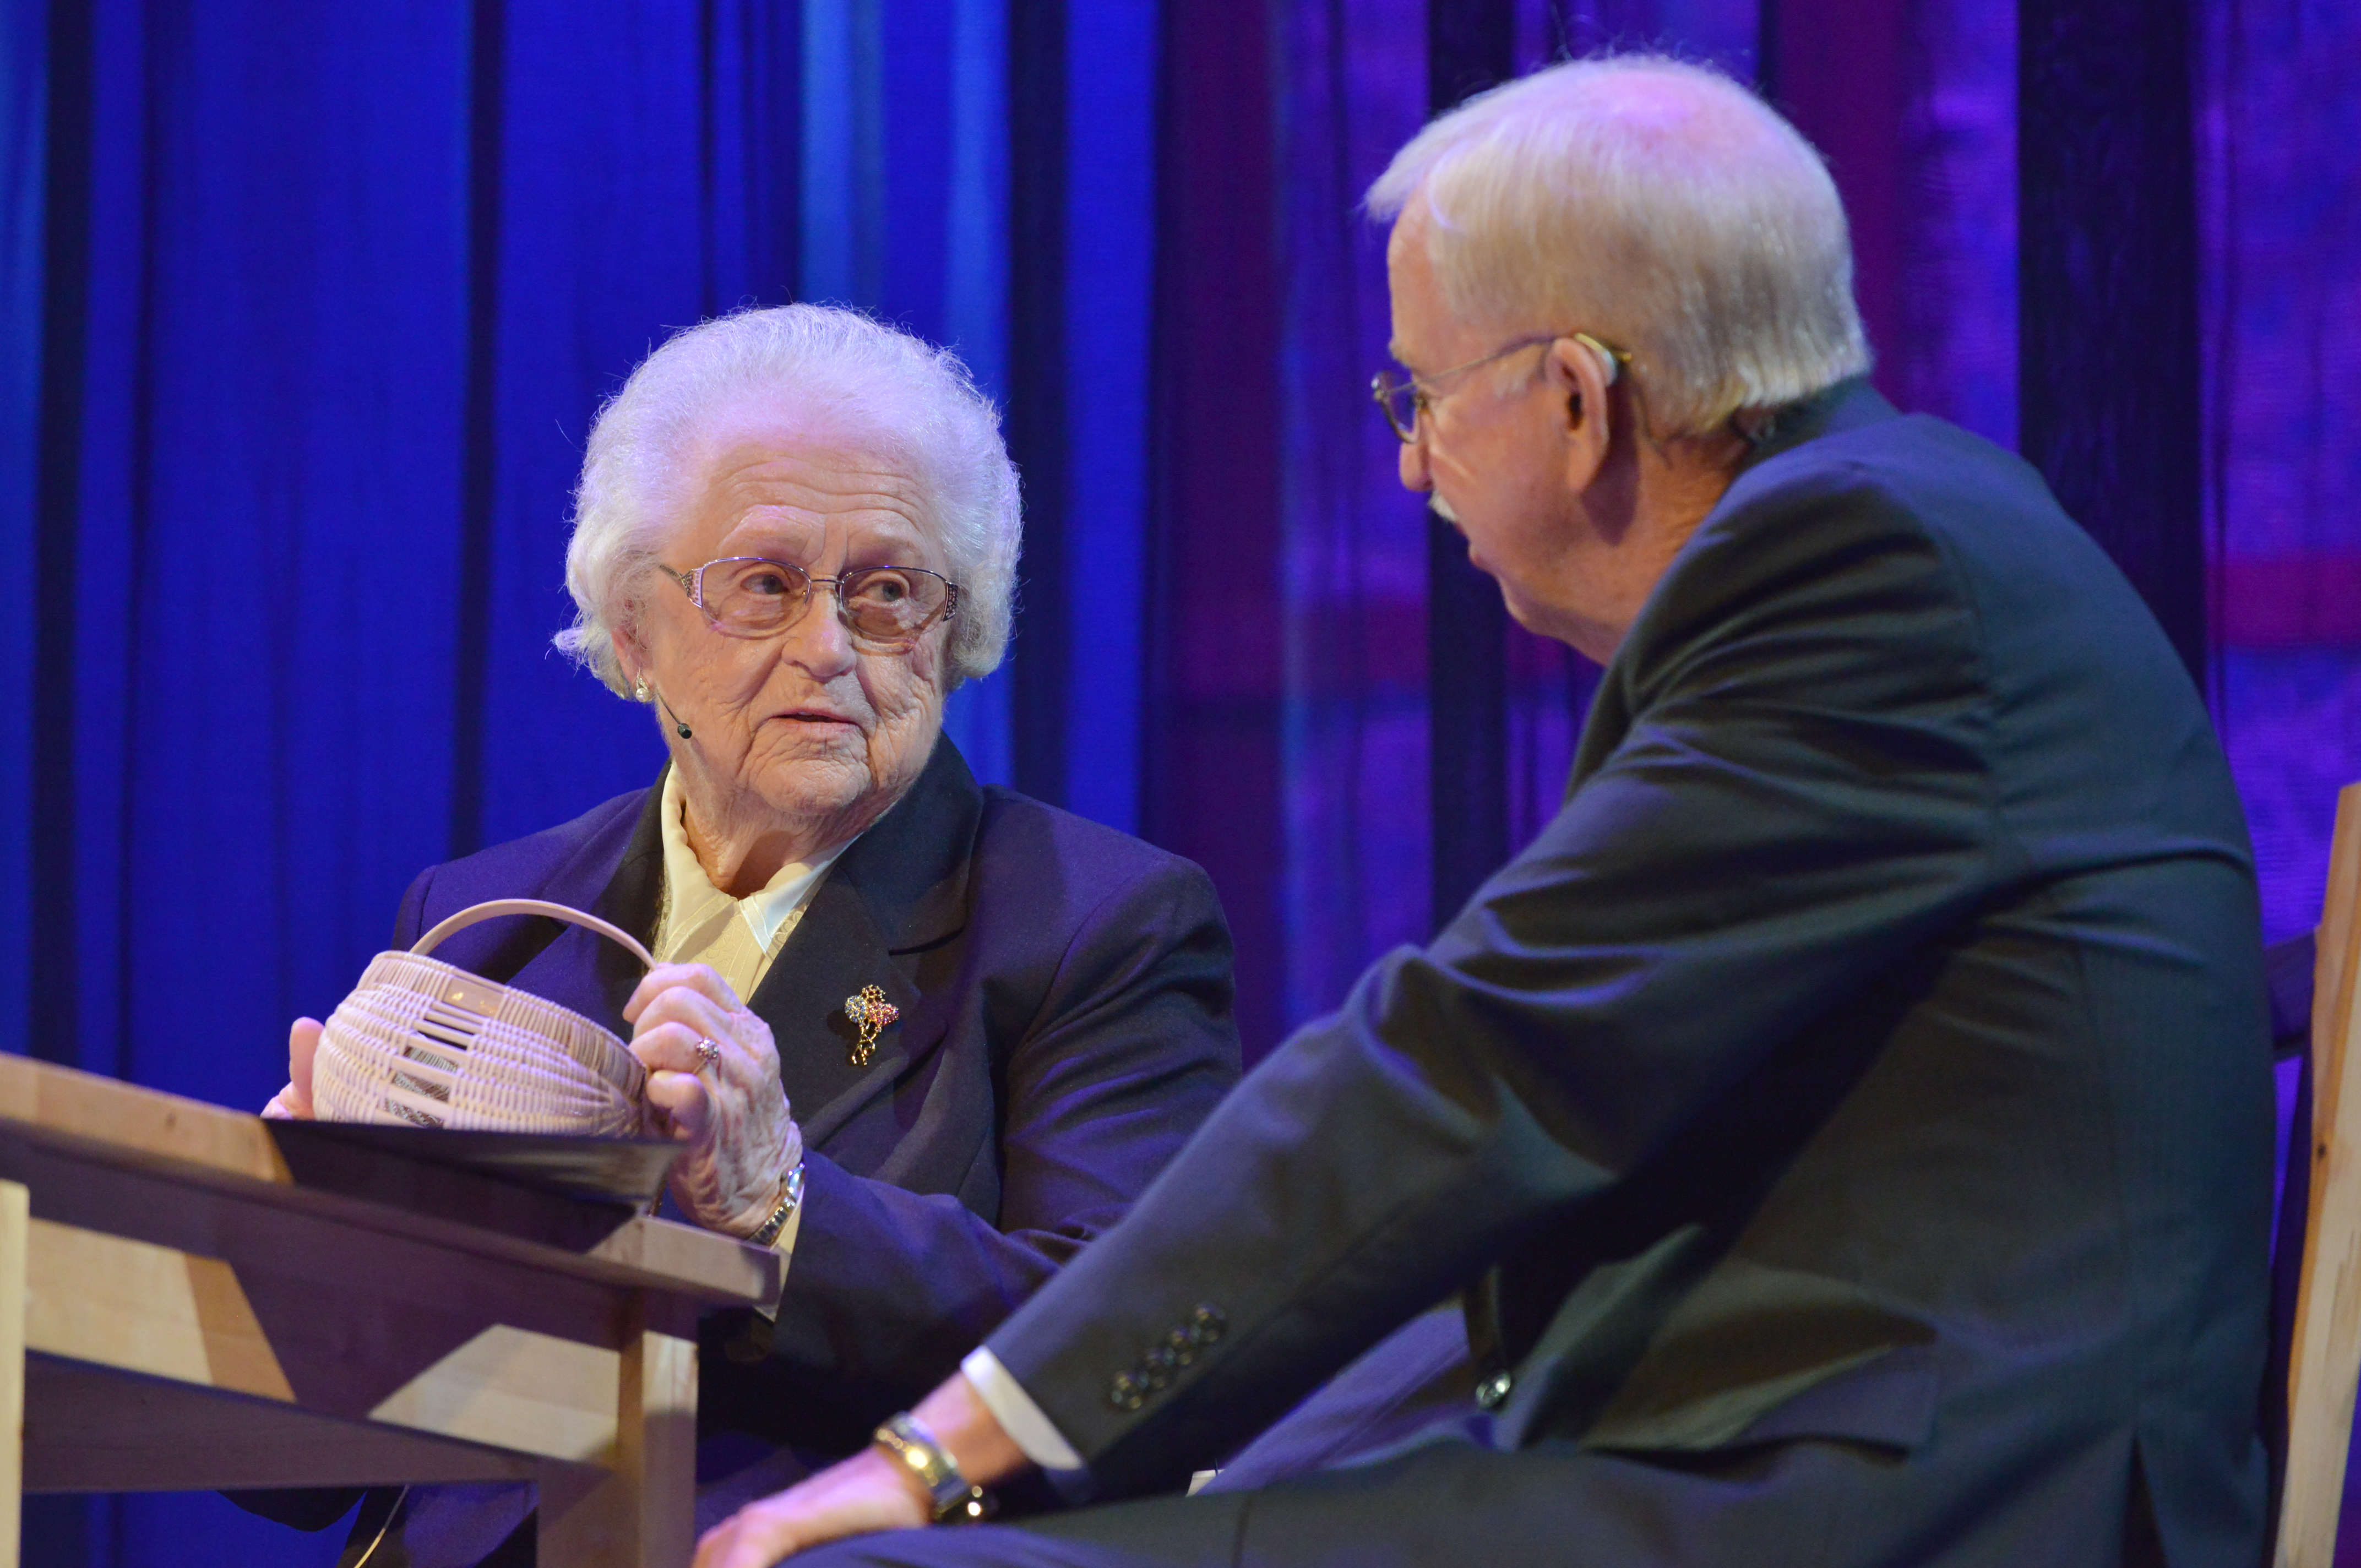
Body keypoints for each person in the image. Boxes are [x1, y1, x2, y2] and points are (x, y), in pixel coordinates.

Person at [693, 54, 2276, 1568]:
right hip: (1803, 1446)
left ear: (1580, 398)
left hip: (1905, 1499)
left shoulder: (1863, 576)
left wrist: (942, 1456)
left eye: (1422, 395)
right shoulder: (1897, 534)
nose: (1410, 467)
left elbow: (1480, 1067)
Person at [242, 304, 1243, 1567]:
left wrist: (777, 1209)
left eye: (888, 592)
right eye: (764, 585)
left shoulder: (1093, 921)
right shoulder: (479, 916)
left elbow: (1129, 1355)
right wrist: (297, 1259)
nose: (827, 647)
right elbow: (300, 1480)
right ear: (633, 629)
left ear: (958, 625)